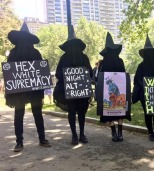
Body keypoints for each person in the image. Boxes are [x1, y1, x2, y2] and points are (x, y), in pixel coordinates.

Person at [6, 22, 51, 152]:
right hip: (33, 90)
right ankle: (42, 139)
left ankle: (19, 142)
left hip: (20, 90)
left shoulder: (13, 53)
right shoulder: (35, 52)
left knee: (19, 114)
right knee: (37, 114)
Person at [54, 25, 92, 145]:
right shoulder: (64, 58)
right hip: (69, 91)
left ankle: (80, 134)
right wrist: (67, 76)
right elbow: (58, 73)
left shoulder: (84, 57)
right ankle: (75, 135)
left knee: (81, 112)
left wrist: (83, 73)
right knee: (73, 113)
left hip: (82, 91)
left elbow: (90, 72)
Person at [98, 32, 131, 142]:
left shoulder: (102, 63)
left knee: (108, 111)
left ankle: (114, 133)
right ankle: (120, 133)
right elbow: (124, 75)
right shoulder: (120, 60)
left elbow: (100, 78)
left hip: (107, 92)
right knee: (121, 110)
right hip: (120, 89)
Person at [132, 35, 154, 142]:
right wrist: (148, 85)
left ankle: (152, 133)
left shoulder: (143, 66)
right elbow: (137, 79)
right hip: (149, 93)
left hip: (148, 93)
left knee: (149, 113)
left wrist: (146, 85)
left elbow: (136, 79)